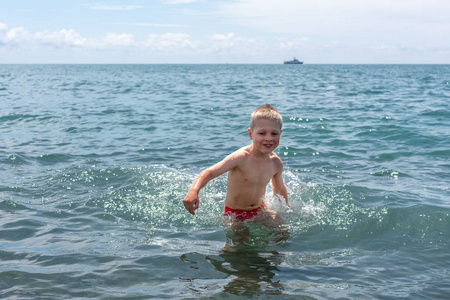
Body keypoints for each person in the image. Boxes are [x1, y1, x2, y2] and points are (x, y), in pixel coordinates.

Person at [182, 104, 288, 221]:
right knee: (239, 237)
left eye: (274, 133)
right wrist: (193, 191)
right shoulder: (241, 157)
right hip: (235, 213)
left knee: (282, 229)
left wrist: (286, 209)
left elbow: (279, 189)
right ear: (250, 134)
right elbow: (210, 172)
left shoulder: (275, 162)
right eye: (262, 133)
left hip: (260, 210)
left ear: (280, 133)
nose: (268, 138)